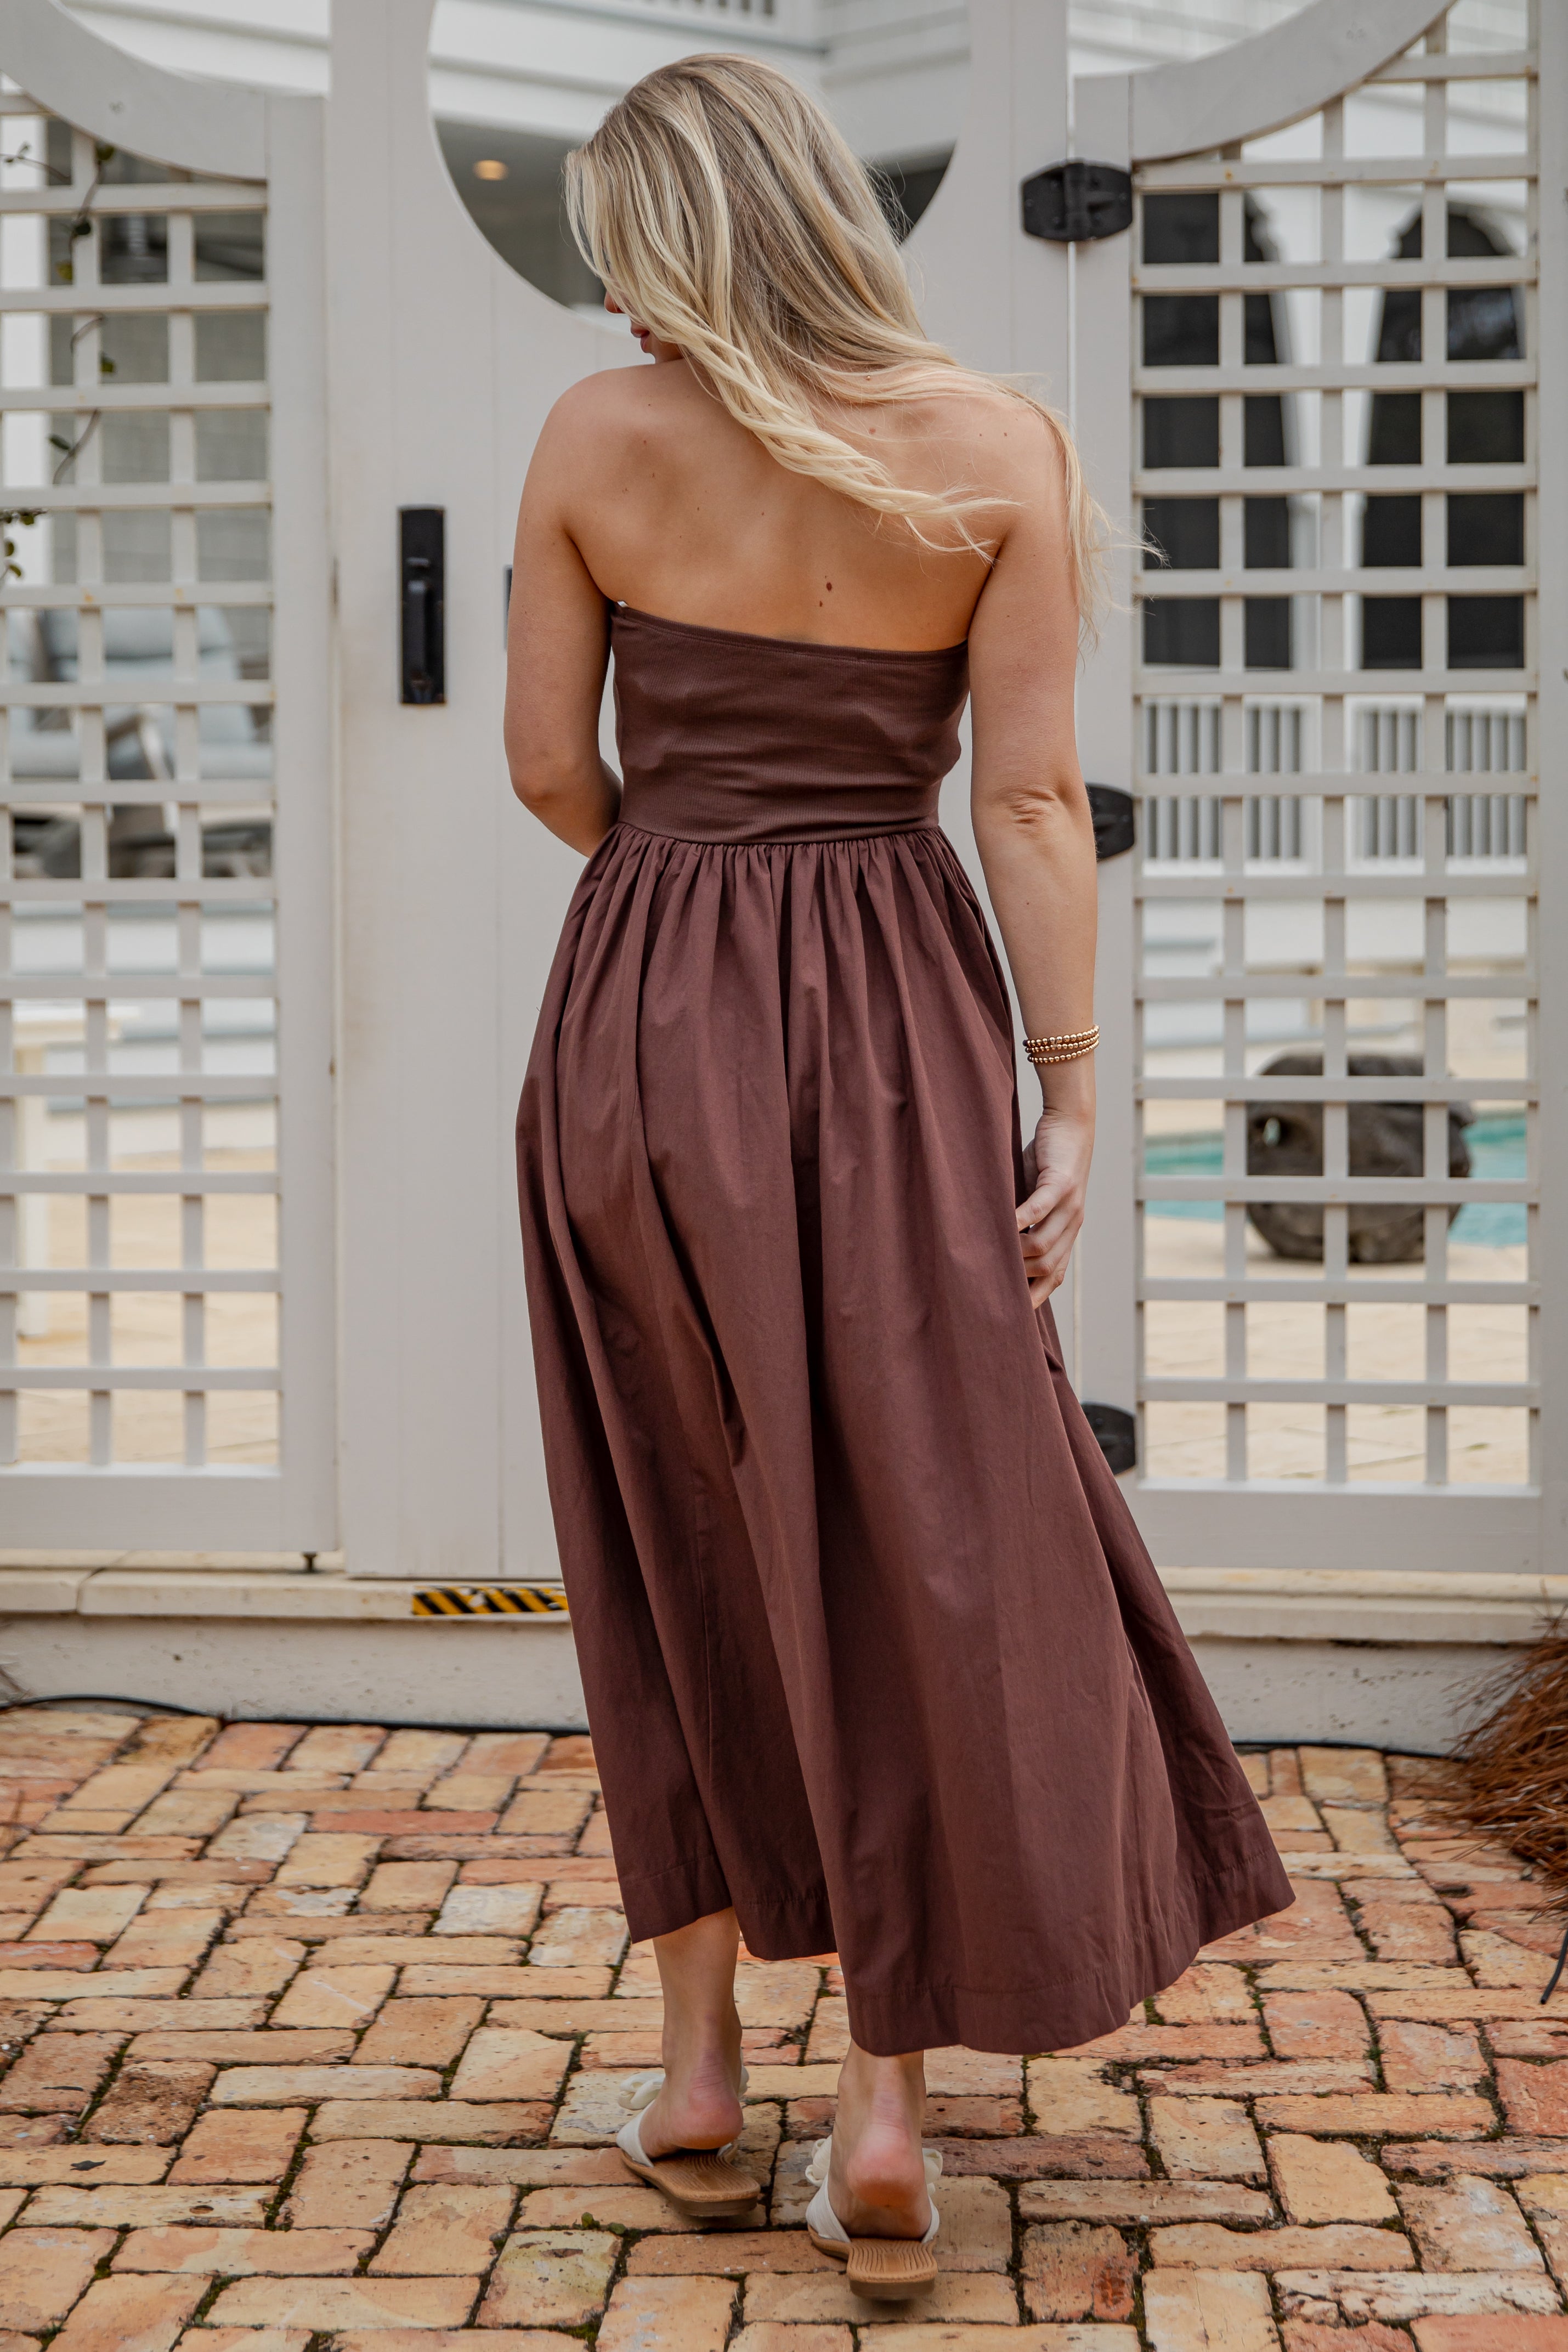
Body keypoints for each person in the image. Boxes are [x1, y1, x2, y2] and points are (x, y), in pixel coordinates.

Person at [508, 52, 1290, 2300]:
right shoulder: (1002, 447)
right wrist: (1063, 1093)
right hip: (902, 1007)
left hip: (645, 1006)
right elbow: (1034, 808)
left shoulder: (592, 435)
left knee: (665, 1512)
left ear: (663, 228)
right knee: (923, 1531)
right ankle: (881, 2097)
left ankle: (687, 2068)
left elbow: (554, 769)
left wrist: (693, 892)